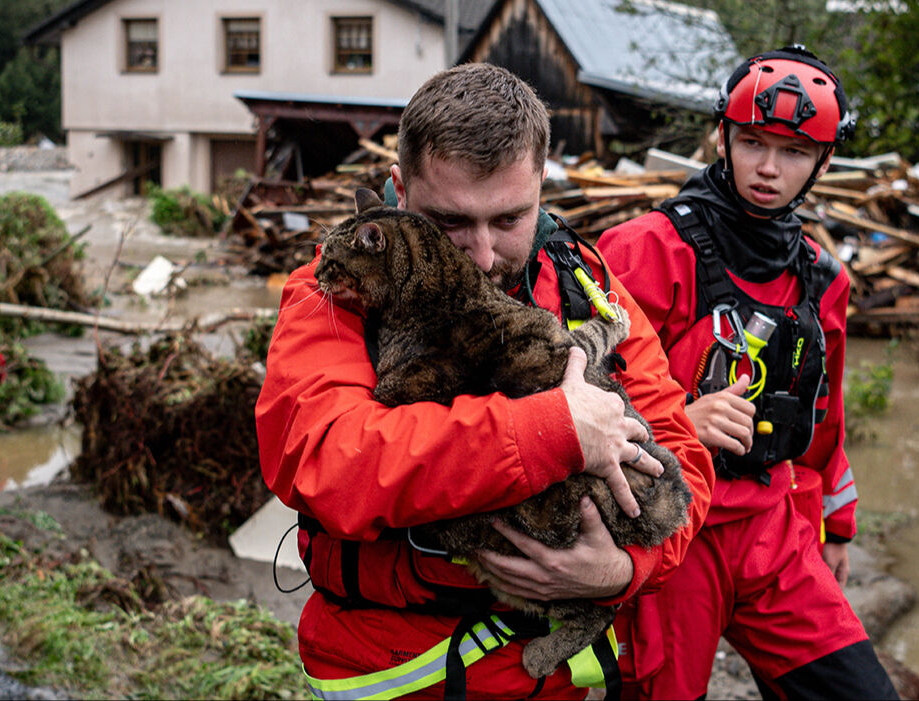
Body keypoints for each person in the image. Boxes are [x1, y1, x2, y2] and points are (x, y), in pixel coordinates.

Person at [255, 62, 714, 700]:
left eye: (507, 220)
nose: (480, 254)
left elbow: (683, 461)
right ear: (399, 192)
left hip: (560, 681)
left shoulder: (586, 288)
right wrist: (556, 430)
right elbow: (329, 460)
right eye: (448, 222)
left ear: (541, 190)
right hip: (398, 675)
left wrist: (620, 571)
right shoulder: (334, 298)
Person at [597, 46, 899, 700]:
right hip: (673, 531)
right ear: (722, 136)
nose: (767, 167)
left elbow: (825, 420)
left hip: (774, 529)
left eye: (793, 152)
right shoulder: (647, 249)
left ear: (823, 161)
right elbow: (572, 394)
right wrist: (677, 421)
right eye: (752, 141)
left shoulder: (823, 277)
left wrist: (837, 528)